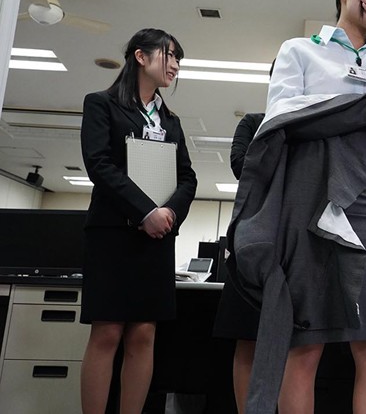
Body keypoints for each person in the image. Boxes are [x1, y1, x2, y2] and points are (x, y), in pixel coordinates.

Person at [227, 0, 366, 414]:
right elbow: (284, 115)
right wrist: (365, 107)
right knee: (306, 343)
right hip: (311, 195)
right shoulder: (299, 50)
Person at [79, 28, 197, 414]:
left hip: (156, 238)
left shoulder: (171, 121)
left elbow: (187, 177)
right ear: (140, 57)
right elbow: (99, 164)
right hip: (113, 235)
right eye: (169, 55)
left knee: (144, 333)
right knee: (108, 331)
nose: (175, 65)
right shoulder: (102, 104)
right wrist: (145, 211)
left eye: (179, 59)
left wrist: (168, 214)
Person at [212, 112, 264, 413]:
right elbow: (240, 165)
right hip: (250, 238)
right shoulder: (254, 122)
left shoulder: (310, 125)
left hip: (295, 241)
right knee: (247, 338)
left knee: (294, 344)